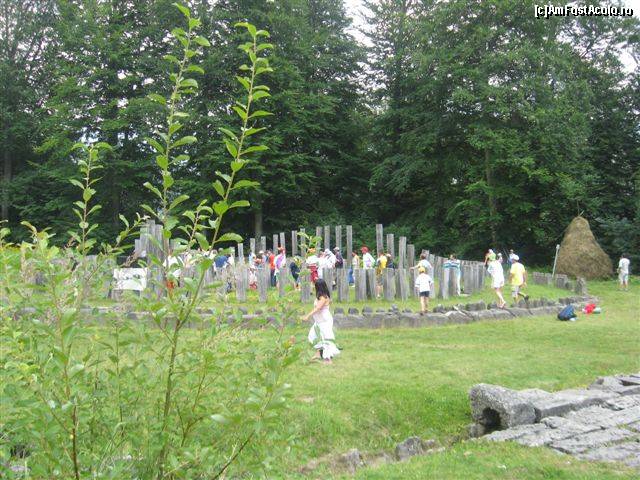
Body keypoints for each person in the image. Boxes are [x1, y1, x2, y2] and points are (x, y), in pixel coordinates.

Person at [303, 279, 340, 363]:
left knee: (326, 338)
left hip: (324, 321)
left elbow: (318, 308)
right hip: (319, 321)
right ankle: (318, 353)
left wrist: (307, 316)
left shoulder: (323, 297)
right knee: (313, 336)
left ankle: (328, 358)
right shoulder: (321, 296)